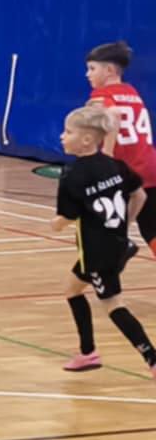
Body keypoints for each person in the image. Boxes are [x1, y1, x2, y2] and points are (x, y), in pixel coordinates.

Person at [57, 104, 156, 374]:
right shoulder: (116, 165)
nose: (62, 136)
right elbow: (140, 195)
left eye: (68, 132)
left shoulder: (73, 174)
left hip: (97, 253)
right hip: (114, 243)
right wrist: (125, 226)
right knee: (72, 289)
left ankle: (151, 357)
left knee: (113, 305)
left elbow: (65, 217)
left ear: (87, 139)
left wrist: (56, 224)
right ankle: (87, 352)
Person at [84, 40, 156, 258]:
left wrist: (106, 154)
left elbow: (113, 115)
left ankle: (116, 244)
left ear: (109, 70)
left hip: (129, 169)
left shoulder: (102, 96)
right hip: (150, 165)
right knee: (150, 227)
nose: (88, 75)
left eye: (92, 69)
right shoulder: (131, 92)